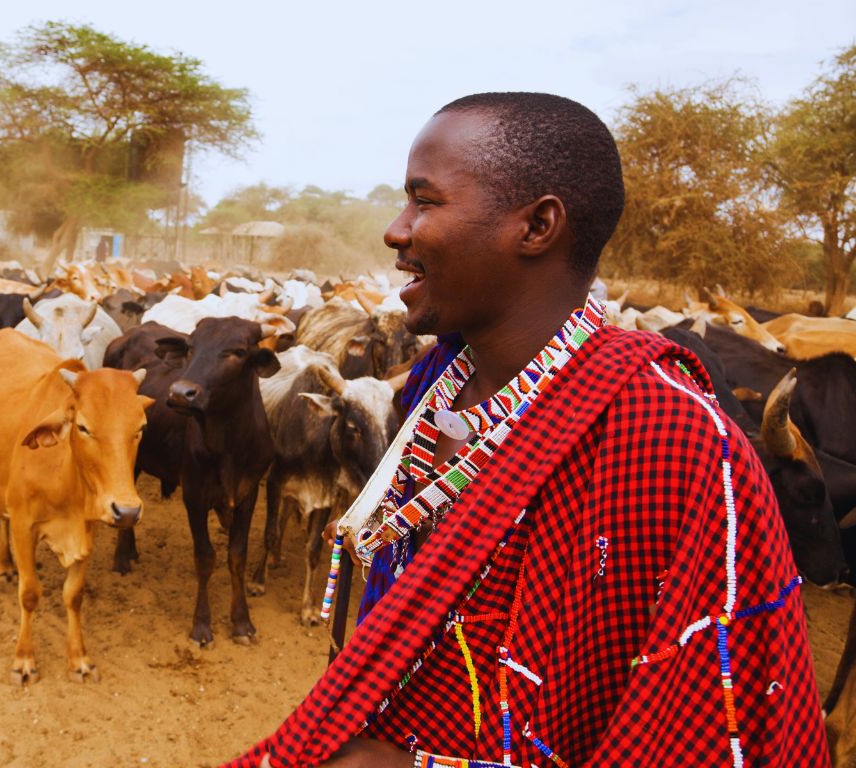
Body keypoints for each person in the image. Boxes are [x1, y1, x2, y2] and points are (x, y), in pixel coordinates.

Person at [229, 93, 827, 767]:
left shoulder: (674, 441)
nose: (396, 231)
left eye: (425, 202)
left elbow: (709, 736)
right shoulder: (432, 388)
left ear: (537, 226)